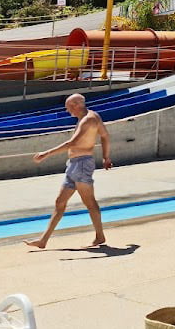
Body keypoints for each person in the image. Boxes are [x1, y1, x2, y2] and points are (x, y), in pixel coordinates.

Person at [24, 94, 112, 248]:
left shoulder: (88, 120)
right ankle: (43, 241)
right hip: (73, 165)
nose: (67, 110)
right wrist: (106, 157)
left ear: (76, 104)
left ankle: (100, 236)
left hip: (82, 165)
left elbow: (73, 142)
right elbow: (105, 136)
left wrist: (46, 154)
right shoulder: (91, 117)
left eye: (68, 107)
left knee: (90, 202)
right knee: (60, 202)